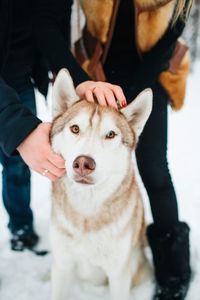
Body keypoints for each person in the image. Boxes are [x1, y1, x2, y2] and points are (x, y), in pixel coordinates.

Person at [32, 0, 193, 299]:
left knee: (155, 168)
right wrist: (80, 80)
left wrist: (132, 92)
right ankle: (73, 236)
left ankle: (173, 268)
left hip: (149, 73)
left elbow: (173, 30)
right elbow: (48, 17)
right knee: (81, 152)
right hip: (93, 71)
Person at [0, 0, 125, 252]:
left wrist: (80, 80)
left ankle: (20, 226)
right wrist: (17, 127)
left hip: (18, 76)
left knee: (15, 165)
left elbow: (46, 23)